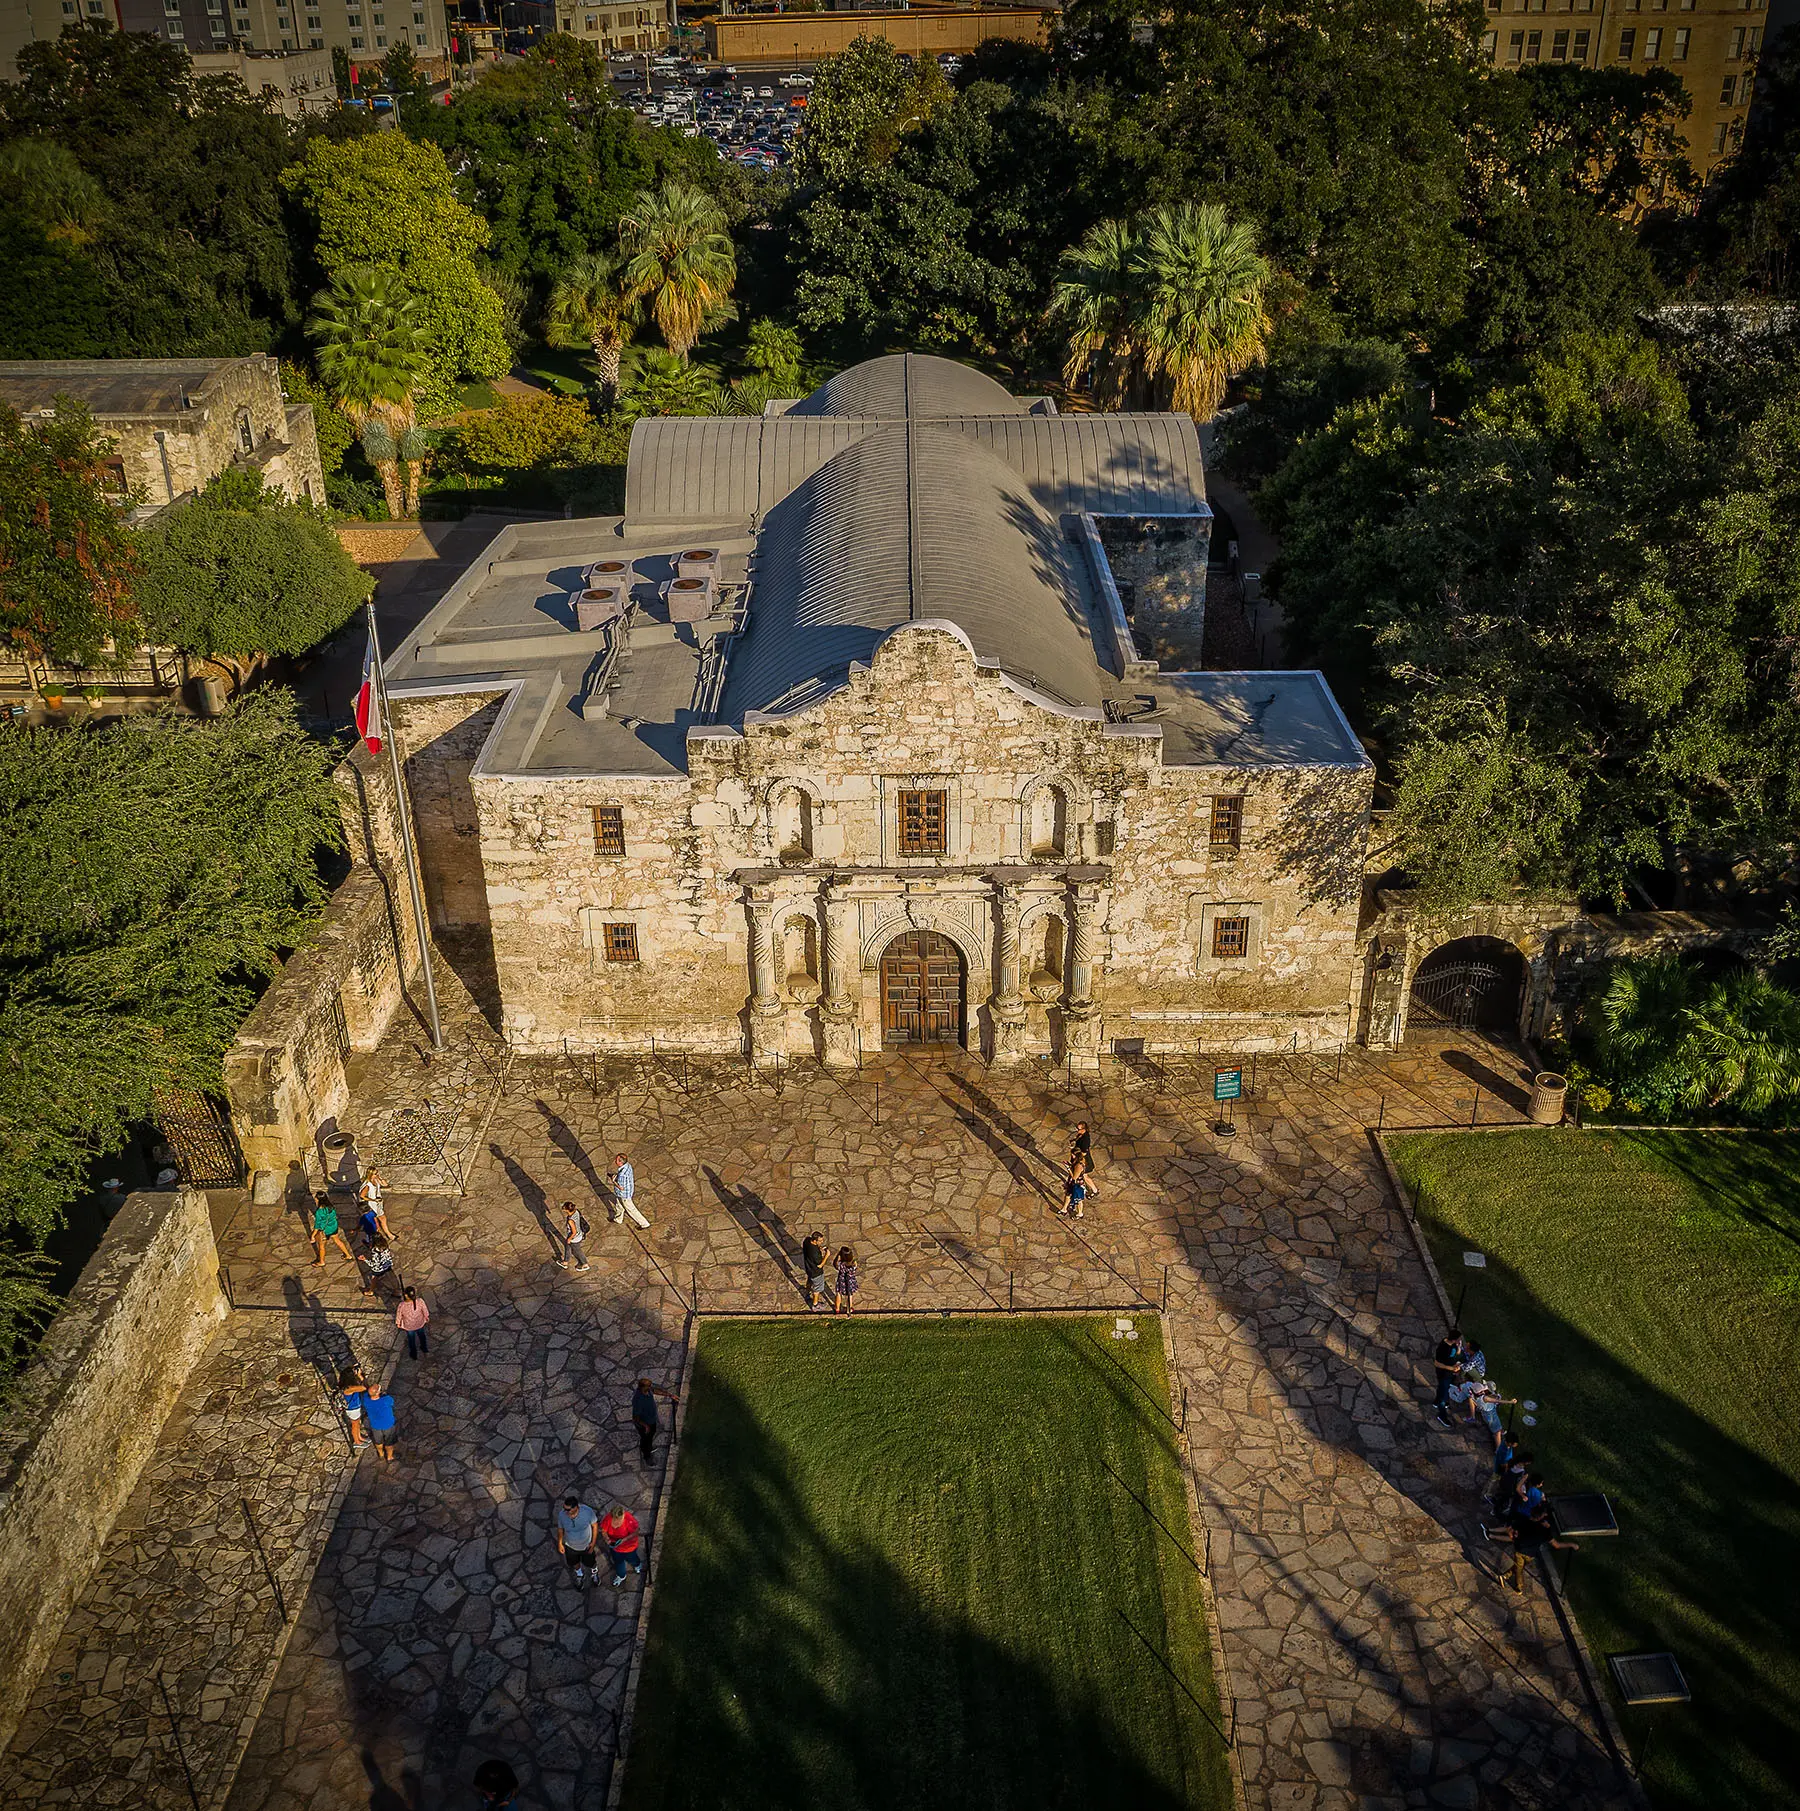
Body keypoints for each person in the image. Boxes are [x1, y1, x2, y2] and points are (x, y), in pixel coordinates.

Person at [1492, 1508, 1577, 1594]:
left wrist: (1513, 1537)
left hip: (1519, 1549)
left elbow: (1509, 1530)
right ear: (1541, 1517)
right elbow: (1556, 1545)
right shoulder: (1544, 1530)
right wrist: (1571, 1544)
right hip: (1531, 1553)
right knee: (1519, 1568)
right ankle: (1518, 1587)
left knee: (1519, 1567)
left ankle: (1505, 1576)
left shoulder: (1523, 1521)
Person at [555, 1494, 601, 1586]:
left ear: (576, 1507)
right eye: (564, 1508)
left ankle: (594, 1573)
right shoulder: (562, 1515)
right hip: (570, 1546)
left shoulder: (587, 1512)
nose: (565, 1511)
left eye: (568, 1509)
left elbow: (595, 1526)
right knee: (574, 1562)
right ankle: (579, 1574)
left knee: (591, 1562)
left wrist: (593, 1543)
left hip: (586, 1546)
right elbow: (560, 1529)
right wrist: (560, 1543)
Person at [631, 1376, 679, 1463]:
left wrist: (670, 1395)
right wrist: (645, 1426)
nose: (650, 1387)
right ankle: (647, 1456)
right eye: (648, 1386)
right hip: (645, 1424)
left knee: (650, 1435)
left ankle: (645, 1447)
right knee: (646, 1439)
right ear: (642, 1387)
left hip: (651, 1420)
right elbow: (636, 1417)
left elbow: (655, 1390)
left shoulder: (648, 1391)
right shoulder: (638, 1400)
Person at [600, 1501, 643, 1586]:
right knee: (618, 1562)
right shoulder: (608, 1518)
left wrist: (624, 1540)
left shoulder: (629, 1520)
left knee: (632, 1558)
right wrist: (606, 1538)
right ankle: (621, 1575)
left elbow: (636, 1531)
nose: (618, 1522)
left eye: (620, 1520)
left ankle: (637, 1564)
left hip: (629, 1547)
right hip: (615, 1546)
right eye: (616, 1520)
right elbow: (604, 1530)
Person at [310, 1192, 355, 1267]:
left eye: (316, 1198)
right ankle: (348, 1255)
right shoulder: (331, 1206)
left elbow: (317, 1225)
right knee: (337, 1240)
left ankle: (321, 1262)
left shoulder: (319, 1211)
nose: (315, 1199)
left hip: (324, 1231)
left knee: (321, 1246)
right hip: (333, 1227)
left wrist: (313, 1235)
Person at [1432, 1328, 1465, 1429]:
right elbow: (1437, 1363)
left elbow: (1456, 1356)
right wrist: (1450, 1368)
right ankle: (1442, 1416)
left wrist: (1459, 1349)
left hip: (1450, 1373)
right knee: (1444, 1396)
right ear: (1454, 1339)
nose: (1460, 1340)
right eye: (1459, 1339)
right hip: (1444, 1373)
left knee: (1442, 1388)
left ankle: (1436, 1401)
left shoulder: (1454, 1345)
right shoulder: (1443, 1348)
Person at [610, 1153, 650, 1229]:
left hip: (624, 1195)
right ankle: (618, 1219)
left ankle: (644, 1224)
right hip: (625, 1192)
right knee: (619, 1205)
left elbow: (621, 1187)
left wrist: (613, 1181)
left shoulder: (622, 1175)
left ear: (620, 1162)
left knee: (631, 1209)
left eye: (616, 1160)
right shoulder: (627, 1166)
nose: (615, 1161)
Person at [357, 1169, 394, 1245]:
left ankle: (389, 1234)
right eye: (375, 1174)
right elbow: (362, 1196)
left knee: (383, 1218)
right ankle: (376, 1240)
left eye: (377, 1173)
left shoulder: (376, 1180)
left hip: (377, 1203)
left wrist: (380, 1178)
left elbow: (385, 1185)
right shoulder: (367, 1185)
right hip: (372, 1205)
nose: (377, 1174)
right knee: (376, 1224)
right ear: (370, 1175)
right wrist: (373, 1200)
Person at [362, 1384, 397, 1461]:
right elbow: (392, 1403)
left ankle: (381, 1455)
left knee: (378, 1442)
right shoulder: (386, 1400)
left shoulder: (366, 1400)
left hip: (375, 1426)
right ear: (377, 1393)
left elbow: (367, 1392)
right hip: (388, 1425)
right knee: (389, 1443)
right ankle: (390, 1457)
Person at [360, 1231, 397, 1299]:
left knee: (374, 1278)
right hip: (387, 1264)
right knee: (390, 1278)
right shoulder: (385, 1244)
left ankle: (371, 1291)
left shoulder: (375, 1250)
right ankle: (396, 1290)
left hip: (379, 1268)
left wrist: (365, 1259)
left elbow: (374, 1264)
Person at [396, 1287, 430, 1359]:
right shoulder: (420, 1301)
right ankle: (424, 1348)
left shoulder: (402, 1305)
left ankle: (413, 1353)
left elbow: (399, 1315)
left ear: (406, 1295)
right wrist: (426, 1317)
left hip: (409, 1326)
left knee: (411, 1340)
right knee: (422, 1336)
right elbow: (425, 1310)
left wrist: (398, 1323)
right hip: (419, 1324)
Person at [339, 1365, 369, 1446]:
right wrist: (360, 1376)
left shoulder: (348, 1385)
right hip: (353, 1409)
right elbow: (364, 1387)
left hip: (355, 1408)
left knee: (357, 1424)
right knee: (355, 1425)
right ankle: (357, 1442)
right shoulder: (349, 1388)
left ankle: (359, 1437)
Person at [559, 1200, 590, 1270]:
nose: (563, 1208)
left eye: (564, 1208)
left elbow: (574, 1232)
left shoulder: (571, 1220)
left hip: (575, 1238)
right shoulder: (576, 1211)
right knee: (568, 1247)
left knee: (578, 1251)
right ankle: (565, 1262)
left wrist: (569, 1239)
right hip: (578, 1235)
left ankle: (585, 1264)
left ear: (567, 1210)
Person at [1070, 1122, 1097, 1198]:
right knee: (1084, 1176)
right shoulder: (1081, 1135)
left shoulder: (1086, 1140)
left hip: (1084, 1161)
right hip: (1079, 1158)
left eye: (1078, 1129)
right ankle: (1095, 1190)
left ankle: (1094, 1190)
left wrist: (1075, 1154)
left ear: (1084, 1129)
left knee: (1084, 1176)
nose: (1077, 1130)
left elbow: (1084, 1153)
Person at [801, 1231, 827, 1308]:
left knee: (810, 1281)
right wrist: (826, 1255)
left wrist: (819, 1249)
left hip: (809, 1268)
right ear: (815, 1241)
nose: (822, 1242)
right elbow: (820, 1265)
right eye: (820, 1241)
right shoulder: (815, 1254)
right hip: (816, 1273)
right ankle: (815, 1305)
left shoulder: (807, 1241)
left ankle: (807, 1293)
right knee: (817, 1289)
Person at [833, 1246, 859, 1315]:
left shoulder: (840, 1264)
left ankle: (837, 1308)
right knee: (850, 1295)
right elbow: (855, 1268)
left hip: (841, 1280)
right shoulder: (853, 1263)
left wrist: (837, 1257)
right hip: (850, 1280)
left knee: (838, 1293)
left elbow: (835, 1265)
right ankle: (849, 1308)